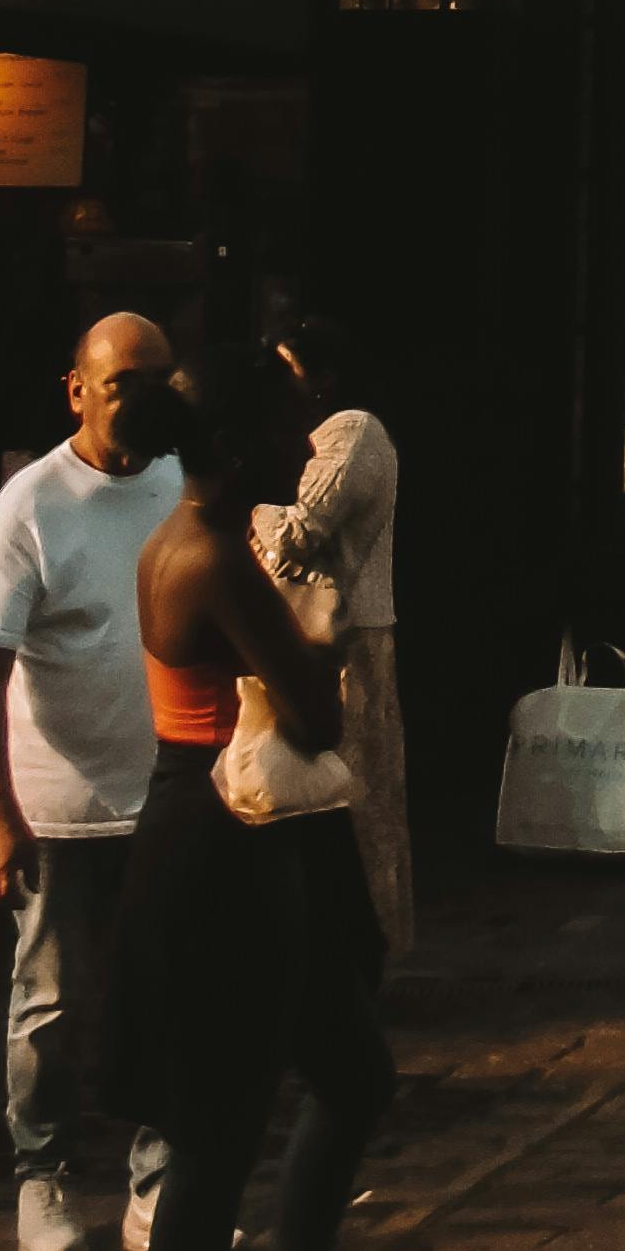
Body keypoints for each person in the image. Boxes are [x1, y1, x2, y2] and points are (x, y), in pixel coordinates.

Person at [115, 353, 398, 1251]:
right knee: (215, 1136)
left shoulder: (201, 541)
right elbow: (320, 711)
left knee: (351, 1072)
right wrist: (320, 646)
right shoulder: (213, 557)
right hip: (218, 849)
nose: (306, 445)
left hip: (248, 836)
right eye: (288, 427)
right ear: (236, 449)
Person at [0, 313, 187, 1251]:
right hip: (58, 806)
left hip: (167, 795)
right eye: (124, 381)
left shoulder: (181, 482)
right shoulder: (33, 502)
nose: (142, 400)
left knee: (168, 996)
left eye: (159, 380)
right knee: (49, 1005)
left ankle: (156, 1185)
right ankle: (40, 1177)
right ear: (78, 391)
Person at [266, 317, 411, 956]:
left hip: (349, 640)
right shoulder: (307, 436)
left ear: (323, 378)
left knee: (354, 798)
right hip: (312, 637)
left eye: (289, 368)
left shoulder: (352, 432)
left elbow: (298, 532)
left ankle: (362, 944)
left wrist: (240, 506)